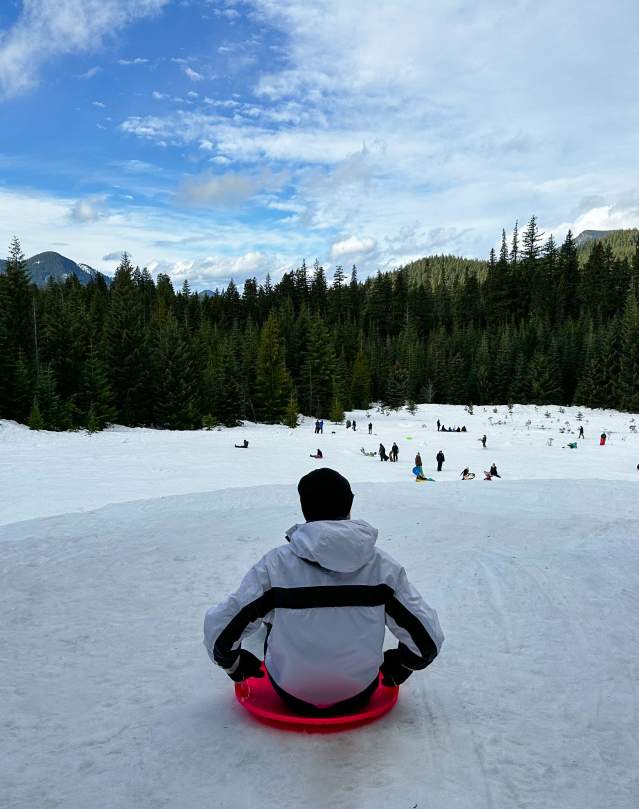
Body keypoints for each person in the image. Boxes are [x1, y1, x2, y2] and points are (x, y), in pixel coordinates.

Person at [203, 468, 444, 714]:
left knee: (270, 612)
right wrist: (402, 665)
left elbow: (219, 630)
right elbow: (428, 641)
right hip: (359, 693)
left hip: (290, 694)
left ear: (304, 507)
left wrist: (234, 665)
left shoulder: (274, 565)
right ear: (350, 504)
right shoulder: (383, 567)